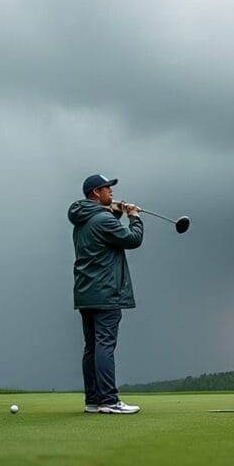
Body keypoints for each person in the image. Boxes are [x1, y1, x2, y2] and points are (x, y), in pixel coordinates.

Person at [68, 174, 144, 414]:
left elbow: (106, 235)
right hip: (106, 292)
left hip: (86, 293)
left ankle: (93, 400)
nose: (111, 192)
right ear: (95, 193)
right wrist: (134, 218)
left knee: (91, 347)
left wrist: (116, 213)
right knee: (104, 345)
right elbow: (133, 240)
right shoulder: (102, 219)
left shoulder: (84, 219)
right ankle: (109, 400)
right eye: (107, 188)